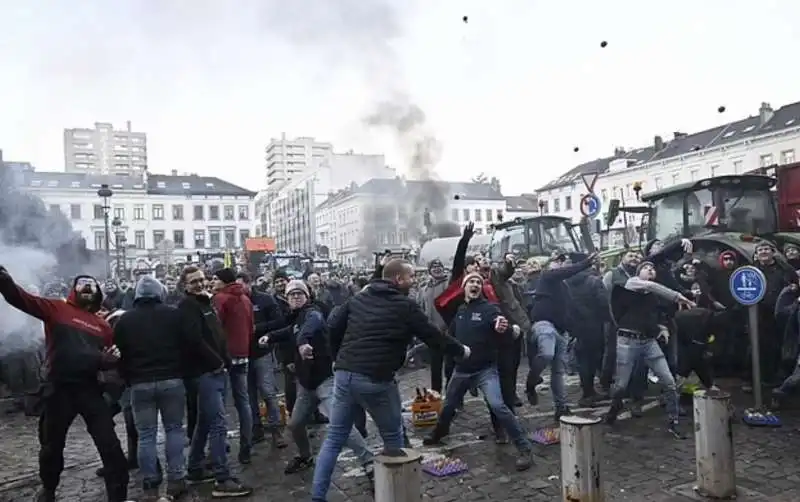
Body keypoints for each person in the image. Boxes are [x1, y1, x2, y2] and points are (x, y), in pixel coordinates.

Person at [311, 259, 469, 502]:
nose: (413, 280)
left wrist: (337, 357)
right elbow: (432, 335)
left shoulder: (358, 298)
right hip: (375, 378)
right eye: (410, 277)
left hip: (345, 373)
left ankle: (317, 497)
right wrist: (460, 351)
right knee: (393, 435)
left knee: (334, 437)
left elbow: (332, 326)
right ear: (398, 279)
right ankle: (398, 494)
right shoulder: (405, 305)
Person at [0, 268, 129, 502]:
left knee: (110, 444)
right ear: (73, 290)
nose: (88, 287)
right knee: (51, 446)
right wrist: (3, 278)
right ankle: (48, 488)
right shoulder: (56, 308)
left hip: (90, 389)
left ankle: (117, 496)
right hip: (59, 389)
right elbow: (20, 298)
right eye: (82, 284)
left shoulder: (103, 326)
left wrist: (111, 362)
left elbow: (107, 359)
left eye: (92, 284)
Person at [261, 280, 374, 478]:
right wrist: (270, 336)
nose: (296, 297)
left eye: (299, 293)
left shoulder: (312, 313)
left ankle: (368, 461)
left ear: (307, 296)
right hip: (306, 384)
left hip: (325, 380)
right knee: (295, 424)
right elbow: (290, 331)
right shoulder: (296, 318)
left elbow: (309, 328)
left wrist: (303, 343)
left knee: (339, 425)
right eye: (291, 294)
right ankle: (305, 456)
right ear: (286, 299)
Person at [424, 272, 534, 471]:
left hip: (485, 370)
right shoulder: (460, 311)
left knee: (498, 406)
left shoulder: (490, 309)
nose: (474, 284)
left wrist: (504, 328)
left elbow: (501, 325)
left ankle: (524, 448)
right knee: (448, 406)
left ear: (481, 288)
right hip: (462, 370)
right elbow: (451, 337)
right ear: (464, 287)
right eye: (471, 282)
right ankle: (439, 432)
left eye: (478, 282)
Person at [179, 266, 252, 498]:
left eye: (201, 280)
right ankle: (222, 478)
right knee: (218, 424)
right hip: (204, 372)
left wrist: (226, 360)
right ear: (185, 286)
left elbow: (216, 334)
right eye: (193, 282)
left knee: (204, 421)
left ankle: (195, 467)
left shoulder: (205, 303)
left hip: (217, 369)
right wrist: (216, 362)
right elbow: (194, 340)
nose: (200, 284)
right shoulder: (187, 307)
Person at [114, 276, 188, 501]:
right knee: (174, 429)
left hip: (139, 383)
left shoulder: (125, 320)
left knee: (146, 435)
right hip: (172, 380)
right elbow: (186, 345)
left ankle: (150, 482)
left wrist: (129, 378)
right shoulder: (174, 314)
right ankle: (176, 480)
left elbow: (119, 355)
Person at [604, 261, 694, 438]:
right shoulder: (632, 283)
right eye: (646, 267)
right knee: (621, 386)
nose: (651, 269)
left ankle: (673, 421)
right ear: (638, 273)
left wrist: (661, 328)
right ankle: (614, 410)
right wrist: (678, 296)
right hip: (627, 341)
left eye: (653, 268)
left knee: (668, 381)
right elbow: (650, 285)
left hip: (648, 342)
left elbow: (650, 318)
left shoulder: (652, 298)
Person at [527, 252, 597, 420]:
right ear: (548, 265)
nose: (561, 263)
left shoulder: (564, 287)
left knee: (558, 372)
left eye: (563, 261)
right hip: (544, 324)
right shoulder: (546, 276)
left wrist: (575, 331)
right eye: (557, 261)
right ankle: (531, 381)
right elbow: (563, 272)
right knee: (547, 353)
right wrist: (585, 263)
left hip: (561, 330)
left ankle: (561, 407)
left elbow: (570, 310)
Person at [237, 272, 287, 448]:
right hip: (243, 355)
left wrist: (257, 329)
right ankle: (256, 429)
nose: (238, 289)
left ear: (249, 283)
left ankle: (276, 430)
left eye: (240, 285)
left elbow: (279, 321)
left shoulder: (265, 300)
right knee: (248, 395)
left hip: (262, 353)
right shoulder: (235, 302)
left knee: (268, 392)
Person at [211, 267, 255, 464]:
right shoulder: (245, 298)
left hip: (225, 357)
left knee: (219, 404)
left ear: (223, 281)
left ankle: (219, 449)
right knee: (243, 402)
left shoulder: (220, 299)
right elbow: (251, 327)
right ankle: (247, 445)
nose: (212, 283)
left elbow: (215, 327)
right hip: (243, 354)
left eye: (215, 279)